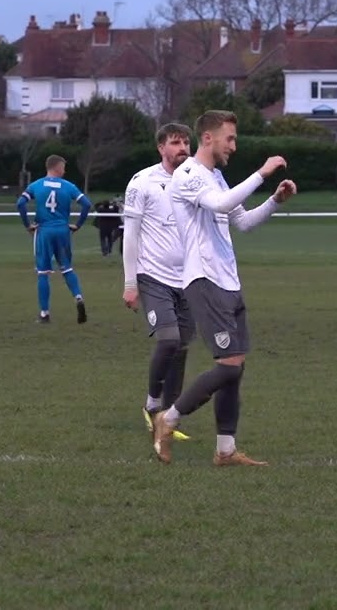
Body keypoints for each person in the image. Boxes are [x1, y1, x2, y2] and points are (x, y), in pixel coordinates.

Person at [151, 110, 298, 466]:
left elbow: (242, 222)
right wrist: (262, 173)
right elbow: (220, 204)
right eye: (229, 138)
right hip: (204, 280)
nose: (234, 145)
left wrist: (274, 201)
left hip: (228, 280)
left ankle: (225, 450)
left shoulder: (214, 176)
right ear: (208, 138)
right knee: (229, 366)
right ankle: (168, 419)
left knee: (235, 366)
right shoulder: (187, 175)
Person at [123, 123, 197, 444]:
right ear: (161, 147)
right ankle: (152, 402)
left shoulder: (198, 179)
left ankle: (167, 418)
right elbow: (131, 234)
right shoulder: (143, 182)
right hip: (153, 278)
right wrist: (130, 282)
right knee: (168, 340)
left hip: (192, 280)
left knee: (181, 348)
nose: (183, 147)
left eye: (186, 142)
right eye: (175, 142)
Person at [17, 154, 93, 324]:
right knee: (67, 268)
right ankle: (78, 297)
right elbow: (86, 204)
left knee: (43, 273)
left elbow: (20, 203)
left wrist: (27, 225)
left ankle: (44, 314)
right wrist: (78, 224)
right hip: (63, 230)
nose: (64, 171)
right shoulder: (68, 186)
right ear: (57, 167)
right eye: (63, 168)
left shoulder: (36, 185)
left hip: (44, 230)